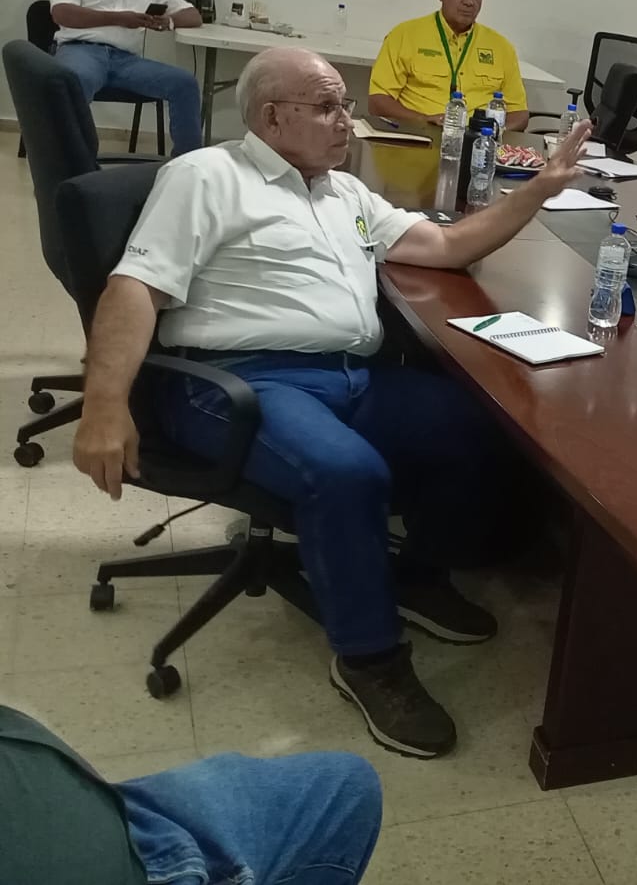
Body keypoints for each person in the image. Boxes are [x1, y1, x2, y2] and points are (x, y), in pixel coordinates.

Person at [72, 46, 596, 757]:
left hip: (348, 376)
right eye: (326, 106)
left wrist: (538, 190)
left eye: (343, 104)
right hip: (238, 382)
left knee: (481, 426)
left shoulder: (342, 191)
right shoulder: (205, 175)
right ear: (270, 117)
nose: (345, 119)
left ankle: (416, 576)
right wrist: (104, 404)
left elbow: (447, 247)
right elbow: (134, 287)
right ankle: (369, 660)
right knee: (346, 473)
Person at [0, 703, 381, 883]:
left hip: (105, 823)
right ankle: (366, 653)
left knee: (344, 784)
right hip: (146, 866)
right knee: (340, 794)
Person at [50, 0, 205, 154]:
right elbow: (62, 13)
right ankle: (73, 163)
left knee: (185, 83)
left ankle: (188, 165)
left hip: (127, 61)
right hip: (81, 50)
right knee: (73, 80)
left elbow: (194, 16)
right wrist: (120, 18)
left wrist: (169, 21)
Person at [368, 0, 529, 131]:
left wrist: (493, 134)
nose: (469, 1)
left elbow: (519, 114)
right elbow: (378, 101)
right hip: (419, 135)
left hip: (480, 140)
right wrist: (423, 120)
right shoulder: (404, 35)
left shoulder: (502, 48)